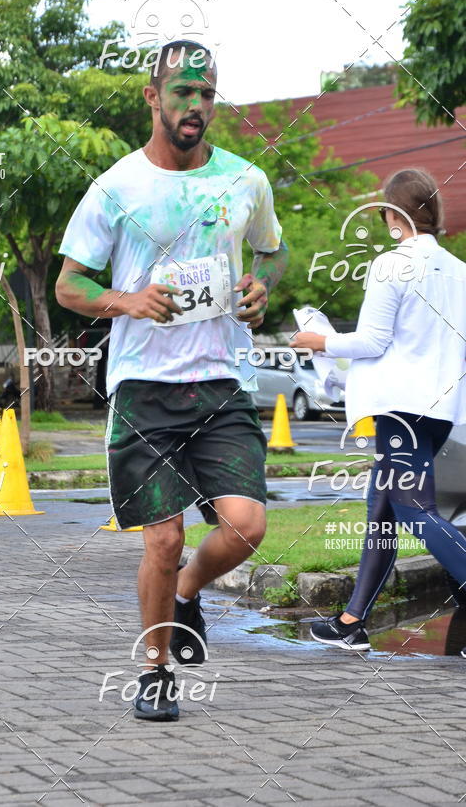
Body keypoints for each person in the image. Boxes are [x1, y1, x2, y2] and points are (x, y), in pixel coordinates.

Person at [55, 40, 288, 718]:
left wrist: (260, 288)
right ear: (152, 97)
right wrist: (126, 301)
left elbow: (271, 255)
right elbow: (69, 286)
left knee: (246, 526)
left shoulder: (246, 180)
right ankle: (155, 669)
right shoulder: (116, 187)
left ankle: (187, 593)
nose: (197, 105)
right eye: (184, 92)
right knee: (163, 536)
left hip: (222, 381)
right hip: (144, 389)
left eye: (208, 93)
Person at [294, 168, 466, 652]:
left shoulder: (391, 264)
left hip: (400, 412)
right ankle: (351, 622)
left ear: (394, 215)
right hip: (437, 410)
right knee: (383, 511)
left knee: (414, 511)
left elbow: (372, 341)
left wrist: (318, 339)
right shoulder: (458, 270)